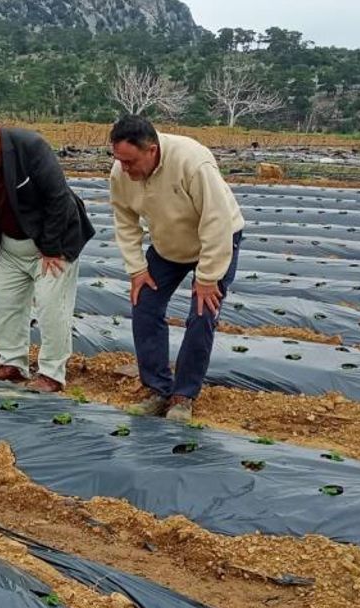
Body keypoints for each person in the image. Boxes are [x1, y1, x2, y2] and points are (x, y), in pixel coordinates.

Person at [0, 104, 95, 393]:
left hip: (52, 244)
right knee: (6, 304)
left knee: (51, 307)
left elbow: (58, 199)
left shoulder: (30, 147)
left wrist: (51, 248)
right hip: (10, 244)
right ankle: (12, 364)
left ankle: (52, 374)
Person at [108, 115, 245, 422]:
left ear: (152, 150)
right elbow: (125, 220)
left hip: (216, 239)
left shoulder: (192, 162)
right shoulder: (121, 173)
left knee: (203, 312)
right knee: (144, 303)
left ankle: (183, 396)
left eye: (130, 162)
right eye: (118, 160)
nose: (124, 169)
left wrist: (207, 277)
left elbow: (217, 220)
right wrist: (137, 269)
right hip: (168, 244)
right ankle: (157, 389)